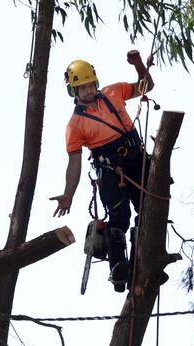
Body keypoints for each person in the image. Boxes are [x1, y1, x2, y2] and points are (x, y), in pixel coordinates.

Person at [50, 50, 154, 292]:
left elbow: (146, 86)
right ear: (73, 91)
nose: (87, 91)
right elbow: (74, 163)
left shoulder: (113, 92)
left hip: (137, 160)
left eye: (90, 85)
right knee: (119, 217)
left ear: (96, 82)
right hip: (109, 171)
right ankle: (119, 266)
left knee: (149, 209)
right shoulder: (75, 126)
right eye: (82, 88)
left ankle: (146, 259)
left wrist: (139, 64)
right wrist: (68, 194)